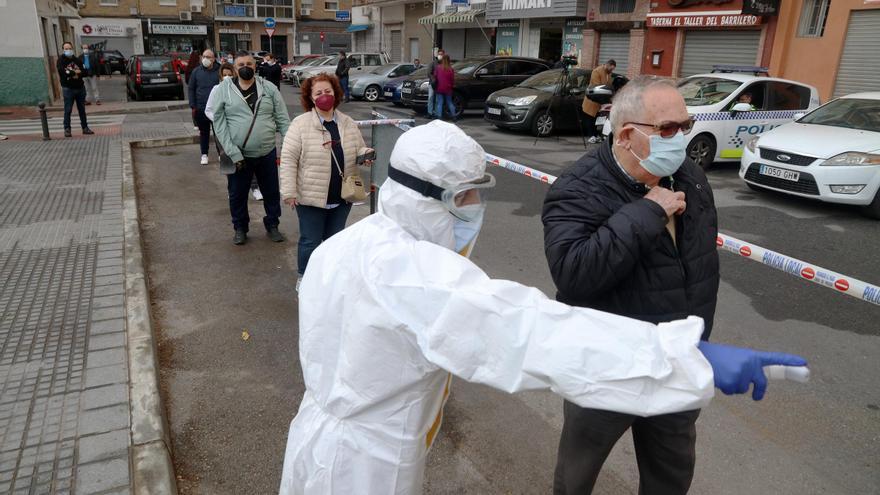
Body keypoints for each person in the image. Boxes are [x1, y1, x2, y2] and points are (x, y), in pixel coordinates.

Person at [278, 119, 807, 495]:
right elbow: (531, 333)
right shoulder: (413, 273)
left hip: (318, 437)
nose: (474, 209)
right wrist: (684, 357)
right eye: (466, 196)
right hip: (368, 467)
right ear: (432, 197)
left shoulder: (353, 242)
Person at [543, 75, 732, 495]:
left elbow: (699, 268)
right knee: (577, 474)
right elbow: (574, 274)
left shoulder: (690, 177)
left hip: (676, 361)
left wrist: (698, 344)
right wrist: (646, 213)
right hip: (607, 368)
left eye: (685, 125)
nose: (681, 137)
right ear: (628, 134)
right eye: (668, 129)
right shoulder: (578, 188)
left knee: (672, 472)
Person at [279, 73, 373, 291]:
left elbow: (358, 147)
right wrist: (289, 192)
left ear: (336, 93)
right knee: (310, 241)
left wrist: (366, 153)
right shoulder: (300, 124)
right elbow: (289, 159)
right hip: (310, 197)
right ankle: (304, 276)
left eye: (328, 91)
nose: (324, 96)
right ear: (311, 98)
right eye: (318, 93)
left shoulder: (347, 123)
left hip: (342, 197)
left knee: (334, 242)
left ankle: (330, 277)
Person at [212, 51, 291, 245]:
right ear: (234, 68)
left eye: (249, 63)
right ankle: (240, 228)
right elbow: (219, 124)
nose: (245, 67)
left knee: (271, 192)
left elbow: (282, 119)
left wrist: (290, 146)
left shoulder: (269, 88)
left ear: (255, 66)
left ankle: (272, 224)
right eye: (240, 64)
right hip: (238, 155)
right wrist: (233, 152)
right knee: (237, 195)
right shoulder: (224, 89)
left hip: (266, 152)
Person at [188, 49, 221, 166]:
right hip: (201, 108)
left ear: (214, 58)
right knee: (204, 133)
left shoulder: (220, 71)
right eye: (204, 56)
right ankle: (204, 154)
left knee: (219, 133)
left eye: (209, 57)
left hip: (217, 109)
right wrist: (193, 105)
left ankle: (220, 154)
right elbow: (191, 88)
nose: (206, 59)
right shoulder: (196, 71)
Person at [57, 42, 93, 138]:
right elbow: (63, 73)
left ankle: (85, 128)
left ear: (72, 49)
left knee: (82, 110)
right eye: (66, 48)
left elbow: (85, 72)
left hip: (80, 88)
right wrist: (75, 72)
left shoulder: (77, 60)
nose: (68, 50)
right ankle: (67, 129)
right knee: (68, 110)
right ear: (63, 50)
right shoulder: (61, 60)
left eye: (69, 48)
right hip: (68, 89)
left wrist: (72, 72)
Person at [582, 59, 616, 144]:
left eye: (613, 69)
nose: (612, 71)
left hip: (601, 102)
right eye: (611, 69)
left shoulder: (609, 73)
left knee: (598, 120)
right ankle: (591, 136)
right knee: (590, 118)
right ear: (607, 65)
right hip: (592, 99)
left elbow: (609, 85)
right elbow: (597, 86)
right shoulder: (596, 71)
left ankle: (596, 135)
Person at [433, 54, 456, 121]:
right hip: (448, 88)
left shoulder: (438, 67)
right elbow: (452, 80)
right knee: (449, 102)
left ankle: (439, 117)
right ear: (449, 60)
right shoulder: (451, 69)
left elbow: (435, 76)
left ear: (442, 60)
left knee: (440, 102)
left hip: (439, 87)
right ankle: (454, 116)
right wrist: (451, 86)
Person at [425, 48, 445, 118]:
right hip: (433, 84)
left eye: (441, 54)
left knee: (437, 99)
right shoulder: (433, 63)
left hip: (440, 85)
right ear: (437, 55)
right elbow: (429, 73)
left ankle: (436, 113)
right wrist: (433, 80)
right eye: (439, 54)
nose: (440, 56)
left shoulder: (444, 64)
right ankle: (429, 113)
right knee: (430, 98)